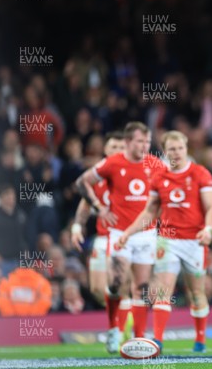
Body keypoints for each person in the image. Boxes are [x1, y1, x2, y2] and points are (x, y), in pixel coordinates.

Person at [118, 130, 212, 353]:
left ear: (186, 149)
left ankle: (200, 339)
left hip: (195, 241)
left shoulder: (200, 173)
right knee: (163, 290)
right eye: (172, 149)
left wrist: (209, 229)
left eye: (180, 148)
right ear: (165, 152)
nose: (177, 152)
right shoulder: (159, 178)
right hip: (167, 239)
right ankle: (158, 340)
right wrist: (129, 232)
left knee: (197, 293)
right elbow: (149, 212)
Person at [77, 122, 166, 353]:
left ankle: (138, 339)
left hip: (145, 234)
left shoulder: (155, 164)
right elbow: (82, 182)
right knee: (116, 285)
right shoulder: (113, 163)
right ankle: (112, 328)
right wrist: (99, 207)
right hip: (119, 234)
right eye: (140, 141)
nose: (144, 146)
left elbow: (164, 197)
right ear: (128, 142)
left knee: (142, 288)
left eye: (147, 142)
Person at [71, 132, 125, 307]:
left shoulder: (134, 173)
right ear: (105, 149)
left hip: (125, 238)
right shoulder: (97, 175)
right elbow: (85, 203)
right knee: (97, 289)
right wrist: (77, 226)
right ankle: (120, 318)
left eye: (121, 147)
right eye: (114, 147)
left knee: (121, 285)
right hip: (102, 237)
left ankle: (121, 326)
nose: (117, 151)